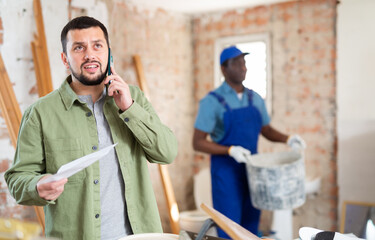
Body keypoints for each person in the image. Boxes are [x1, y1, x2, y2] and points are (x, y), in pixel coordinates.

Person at [5, 16, 178, 240]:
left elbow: (166, 153)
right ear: (65, 59)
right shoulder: (39, 114)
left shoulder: (133, 98)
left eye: (97, 45)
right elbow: (18, 179)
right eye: (79, 47)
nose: (89, 55)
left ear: (108, 53)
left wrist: (129, 108)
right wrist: (37, 185)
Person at [192, 46, 305, 238]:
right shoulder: (212, 102)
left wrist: (289, 139)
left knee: (251, 226)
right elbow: (198, 142)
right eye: (236, 63)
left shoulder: (255, 98)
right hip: (226, 174)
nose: (243, 67)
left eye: (244, 63)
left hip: (254, 172)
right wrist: (230, 150)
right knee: (229, 226)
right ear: (224, 69)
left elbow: (266, 130)